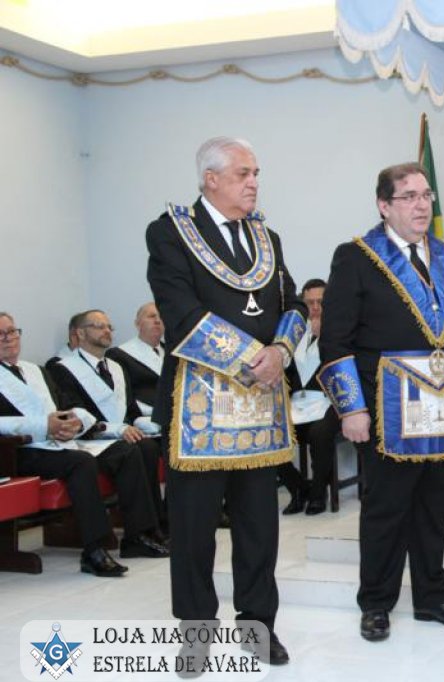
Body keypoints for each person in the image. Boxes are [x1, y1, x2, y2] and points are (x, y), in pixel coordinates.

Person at [146, 136, 306, 667]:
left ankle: (259, 627)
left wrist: (281, 351)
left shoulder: (266, 236)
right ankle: (196, 634)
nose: (254, 182)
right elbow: (180, 314)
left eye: (256, 173)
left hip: (260, 409)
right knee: (194, 531)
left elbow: (293, 302)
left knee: (260, 528)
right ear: (211, 179)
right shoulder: (169, 232)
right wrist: (252, 358)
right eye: (243, 173)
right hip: (197, 411)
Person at [318, 162, 444, 643]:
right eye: (409, 196)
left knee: (436, 508)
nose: (421, 205)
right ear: (384, 205)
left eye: (426, 196)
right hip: (387, 410)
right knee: (386, 510)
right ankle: (376, 603)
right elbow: (335, 340)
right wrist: (351, 408)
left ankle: (433, 596)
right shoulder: (355, 257)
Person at [0, 313, 167, 575]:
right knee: (81, 462)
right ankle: (94, 549)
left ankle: (138, 536)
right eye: (1, 334)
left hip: (58, 441)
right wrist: (43, 425)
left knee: (126, 452)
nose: (8, 338)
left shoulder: (35, 370)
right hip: (19, 450)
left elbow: (65, 404)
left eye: (12, 331)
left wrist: (76, 421)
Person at [49, 309, 166, 527]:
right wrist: (118, 429)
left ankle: (157, 525)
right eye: (99, 326)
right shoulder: (62, 368)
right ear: (80, 333)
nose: (107, 331)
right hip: (91, 438)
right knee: (130, 451)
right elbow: (74, 411)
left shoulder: (116, 367)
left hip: (118, 435)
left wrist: (149, 423)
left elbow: (131, 411)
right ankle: (138, 532)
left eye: (109, 327)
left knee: (149, 446)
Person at [277, 277, 339, 516]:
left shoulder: (339, 332)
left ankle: (318, 493)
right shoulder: (293, 335)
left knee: (320, 433)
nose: (315, 308)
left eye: (319, 302)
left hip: (329, 402)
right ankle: (298, 488)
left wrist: (327, 337)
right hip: (297, 403)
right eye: (309, 303)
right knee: (272, 433)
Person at [106, 302, 165, 415]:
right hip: (143, 418)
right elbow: (122, 395)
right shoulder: (118, 355)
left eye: (161, 316)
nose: (158, 321)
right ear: (137, 324)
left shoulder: (174, 354)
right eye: (151, 316)